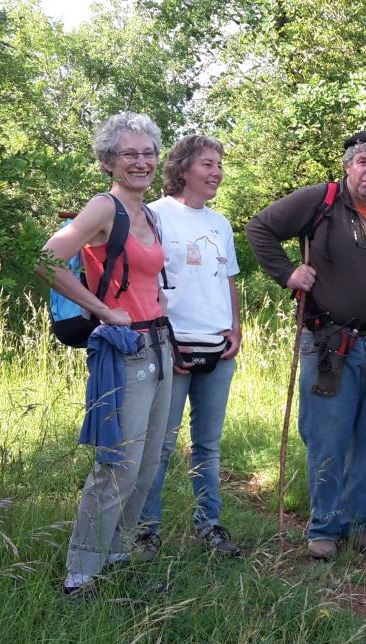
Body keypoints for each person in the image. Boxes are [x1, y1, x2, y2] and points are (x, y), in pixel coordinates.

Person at [245, 130, 366, 561]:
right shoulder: (320, 201)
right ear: (348, 166)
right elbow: (259, 229)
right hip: (328, 340)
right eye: (363, 161)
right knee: (328, 434)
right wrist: (288, 273)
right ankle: (324, 526)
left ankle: (355, 521)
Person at [37, 112, 173, 596]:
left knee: (151, 460)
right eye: (129, 154)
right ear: (108, 161)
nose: (141, 162)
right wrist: (101, 310)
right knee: (118, 463)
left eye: (148, 153)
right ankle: (80, 573)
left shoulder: (149, 213)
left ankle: (114, 554)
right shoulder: (103, 209)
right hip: (124, 351)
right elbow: (45, 259)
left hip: (159, 345)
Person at [134, 134, 242, 560]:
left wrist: (235, 327)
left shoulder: (220, 223)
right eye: (207, 164)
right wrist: (165, 338)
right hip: (170, 345)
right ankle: (146, 529)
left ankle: (209, 525)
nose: (216, 172)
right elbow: (143, 280)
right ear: (182, 169)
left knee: (208, 445)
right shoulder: (155, 216)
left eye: (219, 165)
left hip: (218, 347)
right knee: (159, 442)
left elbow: (228, 277)